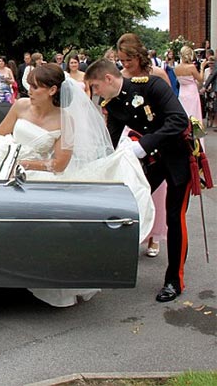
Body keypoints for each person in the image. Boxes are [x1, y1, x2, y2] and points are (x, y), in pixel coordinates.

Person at [0, 64, 153, 306]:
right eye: (29, 85)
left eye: (36, 87)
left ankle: (27, 272)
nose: (30, 90)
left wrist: (27, 164)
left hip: (37, 173)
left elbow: (60, 164)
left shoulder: (65, 119)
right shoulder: (20, 106)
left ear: (52, 90)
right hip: (4, 162)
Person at [85, 59, 192, 303]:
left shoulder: (151, 86)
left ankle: (174, 280)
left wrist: (143, 145)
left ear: (108, 79)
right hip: (152, 161)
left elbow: (178, 121)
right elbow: (109, 142)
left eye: (96, 86)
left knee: (175, 217)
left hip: (177, 158)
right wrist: (93, 166)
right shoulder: (112, 103)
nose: (96, 93)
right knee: (128, 205)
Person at [116, 32, 171, 259]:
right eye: (122, 60)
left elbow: (169, 105)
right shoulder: (120, 76)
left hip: (156, 135)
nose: (126, 64)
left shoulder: (157, 74)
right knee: (132, 185)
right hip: (130, 136)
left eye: (130, 59)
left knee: (157, 190)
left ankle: (154, 236)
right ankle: (133, 233)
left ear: (140, 55)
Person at [175, 46, 204, 123]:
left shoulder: (177, 67)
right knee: (194, 113)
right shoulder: (191, 67)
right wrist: (202, 67)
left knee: (184, 113)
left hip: (182, 92)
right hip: (191, 92)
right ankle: (195, 130)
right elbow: (200, 79)